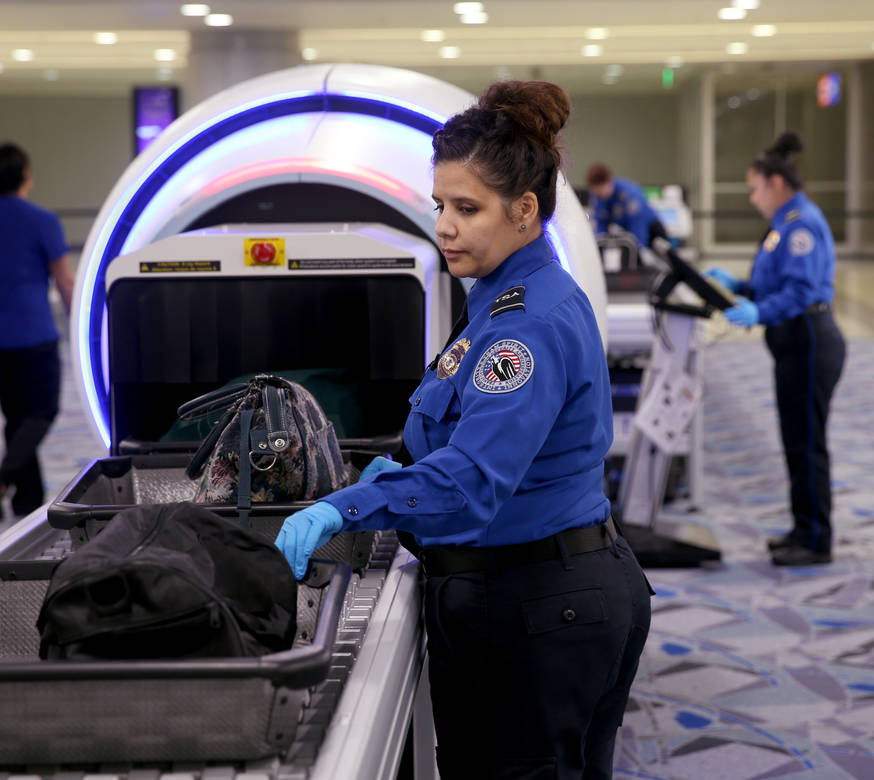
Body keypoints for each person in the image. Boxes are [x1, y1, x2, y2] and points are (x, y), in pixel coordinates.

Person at [274, 81, 652, 779]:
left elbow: (474, 482)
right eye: (440, 205)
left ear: (525, 210)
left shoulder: (524, 329)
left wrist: (345, 507)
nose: (444, 226)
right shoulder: (499, 300)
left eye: (467, 209)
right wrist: (402, 472)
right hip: (536, 595)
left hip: (541, 606)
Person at [705, 131, 846, 567]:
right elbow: (776, 284)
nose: (752, 198)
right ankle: (802, 529)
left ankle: (816, 539)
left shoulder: (800, 224)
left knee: (807, 443)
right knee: (795, 440)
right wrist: (742, 288)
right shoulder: (783, 224)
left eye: (754, 188)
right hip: (793, 343)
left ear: (776, 184)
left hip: (809, 340)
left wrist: (759, 313)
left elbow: (802, 290)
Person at [0, 142, 75, 517]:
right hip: (34, 332)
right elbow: (64, 281)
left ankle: (26, 500)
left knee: (15, 419)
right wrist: (82, 322)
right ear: (25, 174)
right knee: (43, 412)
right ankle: (0, 479)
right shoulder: (43, 220)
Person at [585, 162, 667, 248]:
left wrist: (640, 250)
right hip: (629, 232)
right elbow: (600, 228)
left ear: (608, 182)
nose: (598, 195)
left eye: (600, 191)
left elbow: (638, 227)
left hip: (651, 231)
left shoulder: (630, 194)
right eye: (595, 192)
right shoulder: (598, 199)